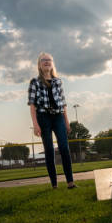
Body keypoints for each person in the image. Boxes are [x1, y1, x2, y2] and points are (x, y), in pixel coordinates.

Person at [28, 52, 77, 189]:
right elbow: (32, 105)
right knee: (49, 149)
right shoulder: (35, 82)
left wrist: (66, 122)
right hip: (43, 117)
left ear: (52, 63)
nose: (47, 62)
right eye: (44, 60)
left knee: (64, 148)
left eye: (49, 60)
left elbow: (63, 103)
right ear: (39, 64)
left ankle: (70, 182)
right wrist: (35, 124)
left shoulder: (58, 81)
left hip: (58, 117)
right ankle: (54, 185)